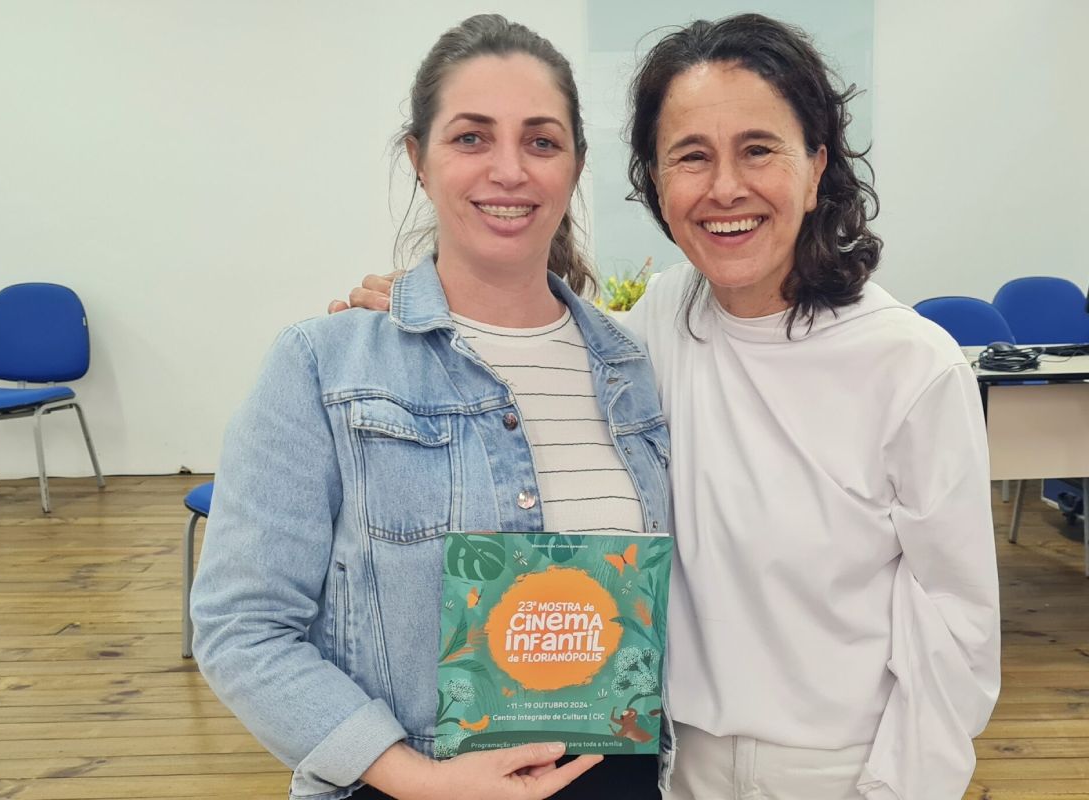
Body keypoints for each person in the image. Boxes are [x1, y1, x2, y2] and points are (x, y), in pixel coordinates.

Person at [337, 13, 1000, 800]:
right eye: (691, 156)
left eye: (759, 149)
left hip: (840, 770)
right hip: (666, 763)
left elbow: (958, 632)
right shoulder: (653, 324)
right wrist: (410, 312)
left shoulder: (909, 365)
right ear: (654, 180)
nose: (725, 188)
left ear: (817, 165)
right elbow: (528, 353)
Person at [191, 14, 671, 800]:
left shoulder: (635, 370)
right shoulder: (321, 365)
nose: (509, 170)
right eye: (471, 138)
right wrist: (413, 777)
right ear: (418, 158)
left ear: (577, 165)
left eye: (542, 141)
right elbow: (241, 628)